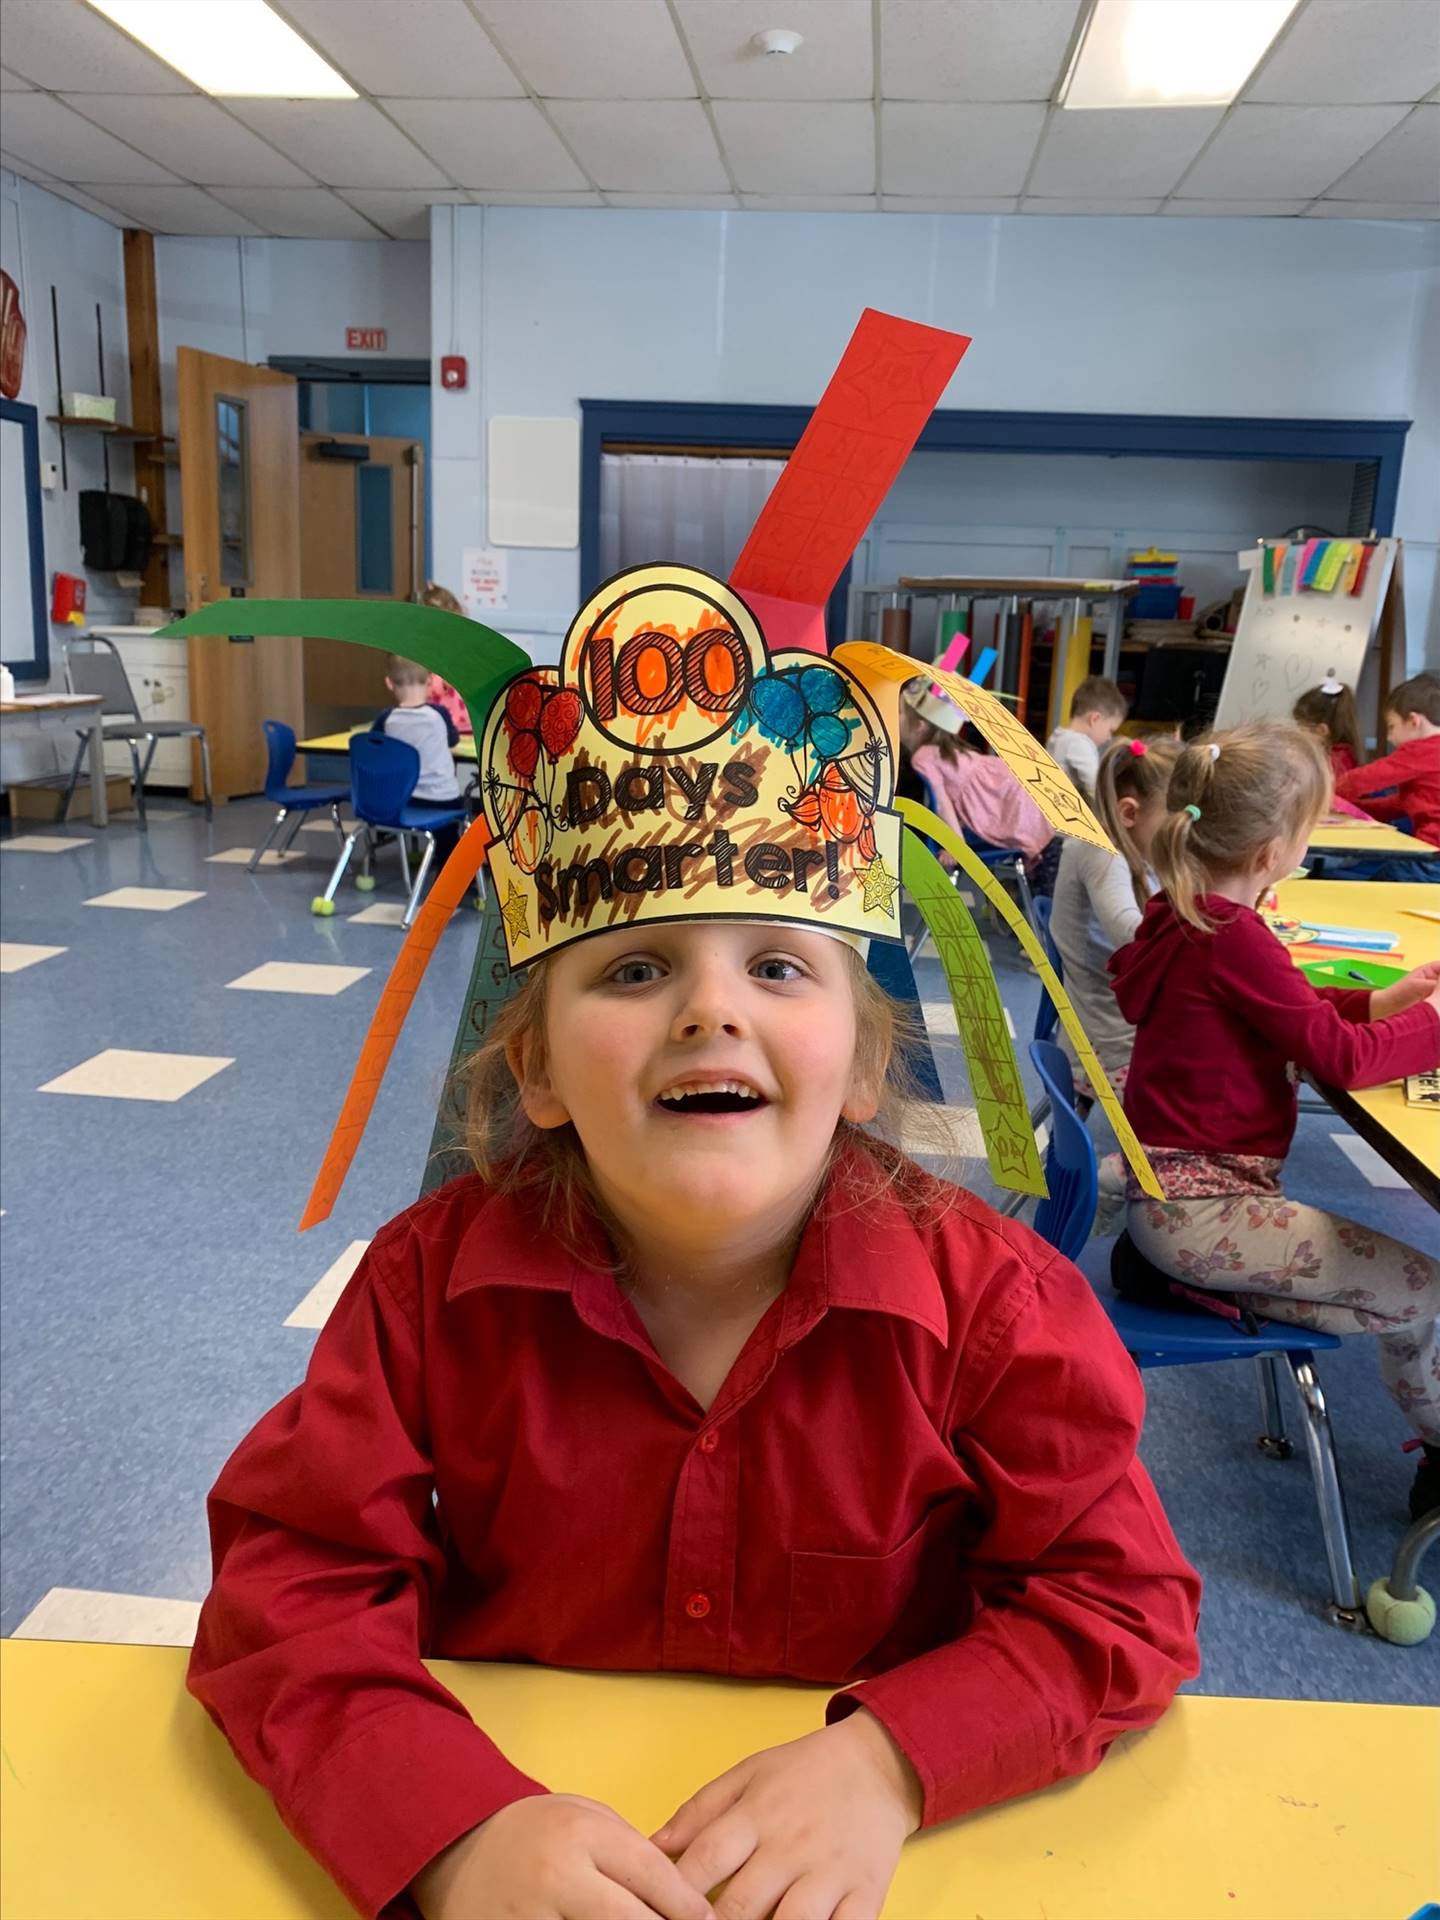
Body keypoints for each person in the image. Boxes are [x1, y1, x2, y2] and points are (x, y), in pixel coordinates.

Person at [186, 656, 1201, 1915]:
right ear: (541, 1072)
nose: (710, 1008)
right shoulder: (423, 1290)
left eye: (779, 967)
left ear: (865, 1069)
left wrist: (893, 1762)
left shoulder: (991, 1309)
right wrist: (446, 1824)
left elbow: (1119, 1600)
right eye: (633, 970)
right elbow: (289, 1583)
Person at [1110, 724, 1440, 1521]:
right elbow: (1342, 1060)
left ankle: (1189, 1282)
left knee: (1386, 1292)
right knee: (1425, 1293)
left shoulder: (1183, 914)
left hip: (1168, 1199)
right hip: (1199, 1212)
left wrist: (1384, 1003)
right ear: (1271, 855)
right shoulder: (1235, 936)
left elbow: (1283, 1013)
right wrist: (1432, 1019)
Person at [1051, 733, 1181, 1098]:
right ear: (1129, 813)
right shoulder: (1102, 853)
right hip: (1107, 1047)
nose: (1182, 842)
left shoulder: (1131, 849)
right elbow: (1131, 933)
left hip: (1114, 1026)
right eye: (1173, 828)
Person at [903, 687, 1060, 894]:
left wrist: (955, 845)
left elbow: (941, 802)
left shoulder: (923, 756)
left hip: (1010, 800)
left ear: (920, 727)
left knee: (1047, 864)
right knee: (1048, 855)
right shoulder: (946, 750)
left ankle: (1039, 908)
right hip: (1013, 792)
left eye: (900, 714)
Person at [1332, 672, 1440, 876]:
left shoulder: (1423, 750)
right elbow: (1402, 804)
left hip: (1431, 857)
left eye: (1391, 727)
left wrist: (1323, 791)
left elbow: (1362, 780)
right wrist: (1357, 808)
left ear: (1413, 721)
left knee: (1376, 889)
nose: (1390, 737)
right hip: (1431, 856)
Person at [372, 652, 465, 864]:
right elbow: (453, 740)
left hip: (402, 800)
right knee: (451, 834)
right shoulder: (439, 714)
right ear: (431, 680)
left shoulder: (386, 719)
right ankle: (451, 876)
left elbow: (374, 748)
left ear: (389, 683)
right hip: (442, 800)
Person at [1045, 676, 1128, 802]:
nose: (1109, 737)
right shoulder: (1079, 744)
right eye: (1110, 730)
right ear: (1095, 719)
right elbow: (1095, 786)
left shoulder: (1057, 736)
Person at [420, 583, 474, 737]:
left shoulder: (461, 646)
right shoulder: (424, 650)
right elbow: (418, 683)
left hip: (462, 723)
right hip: (435, 724)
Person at [1292, 678, 1363, 781]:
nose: (1298, 733)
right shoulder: (1342, 756)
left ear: (1321, 731)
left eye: (1300, 727)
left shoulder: (1335, 763)